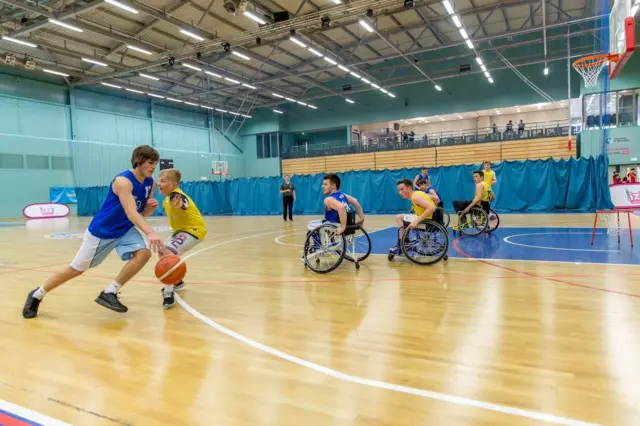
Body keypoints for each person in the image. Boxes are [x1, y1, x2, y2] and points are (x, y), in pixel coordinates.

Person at [22, 145, 163, 319]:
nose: (153, 167)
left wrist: (150, 209)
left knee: (143, 254)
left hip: (124, 229)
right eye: (150, 163)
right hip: (103, 231)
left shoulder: (151, 182)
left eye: (155, 163)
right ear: (138, 161)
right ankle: (37, 294)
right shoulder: (123, 181)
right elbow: (131, 212)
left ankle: (110, 292)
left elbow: (140, 214)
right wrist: (150, 233)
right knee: (75, 269)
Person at [156, 168, 207, 309]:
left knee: (167, 253)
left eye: (163, 181)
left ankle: (168, 292)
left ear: (174, 185)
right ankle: (176, 280)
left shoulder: (176, 196)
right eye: (158, 180)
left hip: (193, 230)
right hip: (180, 231)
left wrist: (180, 204)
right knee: (162, 252)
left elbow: (182, 203)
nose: (159, 183)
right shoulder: (166, 200)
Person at [302, 174, 364, 264]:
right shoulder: (343, 196)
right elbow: (356, 203)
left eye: (325, 184)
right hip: (349, 224)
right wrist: (361, 219)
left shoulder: (328, 200)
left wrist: (342, 227)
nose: (323, 186)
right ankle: (318, 244)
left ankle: (318, 246)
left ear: (333, 186)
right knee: (317, 223)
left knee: (310, 225)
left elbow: (341, 207)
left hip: (334, 225)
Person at [389, 179, 437, 255]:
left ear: (409, 188)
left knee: (399, 217)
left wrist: (416, 221)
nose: (400, 192)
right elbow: (436, 200)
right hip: (430, 219)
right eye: (399, 190)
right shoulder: (418, 193)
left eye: (402, 189)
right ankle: (405, 243)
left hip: (426, 222)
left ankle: (402, 245)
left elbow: (432, 208)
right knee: (401, 217)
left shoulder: (415, 197)